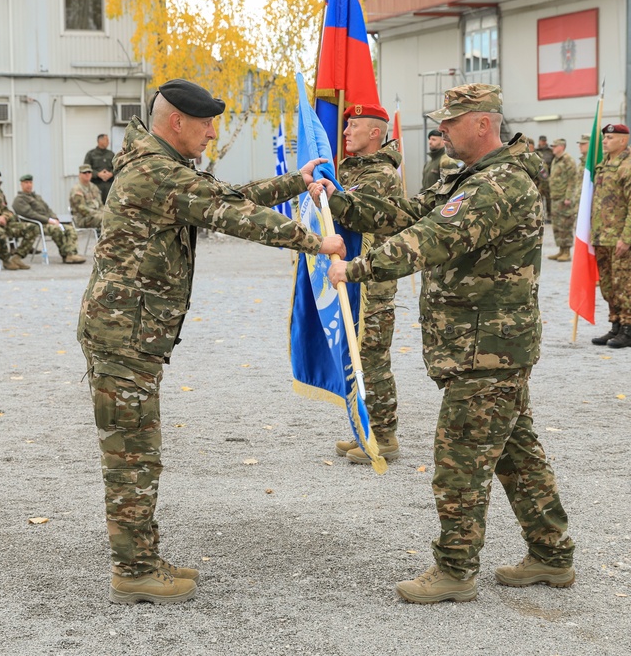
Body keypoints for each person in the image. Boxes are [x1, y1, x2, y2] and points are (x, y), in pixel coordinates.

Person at [76, 79, 346, 605]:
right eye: (205, 124)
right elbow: (232, 214)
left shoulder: (160, 167)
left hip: (134, 332)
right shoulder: (155, 171)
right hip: (124, 335)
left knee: (140, 450)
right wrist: (316, 242)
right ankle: (132, 570)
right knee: (132, 454)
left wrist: (294, 183)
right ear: (176, 121)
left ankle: (144, 556)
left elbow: (223, 198)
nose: (212, 133)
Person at [322, 83, 575, 604]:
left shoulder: (498, 184)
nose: (442, 131)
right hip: (483, 346)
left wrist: (357, 268)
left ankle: (455, 571)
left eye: (451, 122)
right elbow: (408, 215)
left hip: (488, 349)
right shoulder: (470, 176)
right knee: (516, 455)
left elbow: (428, 239)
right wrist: (338, 200)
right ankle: (551, 556)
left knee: (459, 460)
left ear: (483, 123)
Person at [330, 102, 404, 465]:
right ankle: (367, 427)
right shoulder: (356, 170)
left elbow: (364, 213)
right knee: (358, 350)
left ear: (375, 133)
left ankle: (385, 434)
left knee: (372, 355)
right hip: (357, 273)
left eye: (353, 125)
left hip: (374, 279)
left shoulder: (381, 174)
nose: (345, 132)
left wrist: (332, 196)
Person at [588, 124, 631, 349]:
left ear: (623, 141)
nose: (605, 141)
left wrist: (628, 237)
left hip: (620, 237)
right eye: (604, 137)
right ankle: (614, 324)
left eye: (610, 138)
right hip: (602, 236)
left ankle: (628, 329)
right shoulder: (602, 167)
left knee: (622, 283)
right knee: (607, 285)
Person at [12, 174, 87, 264]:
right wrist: (48, 220)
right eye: (26, 183)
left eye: (30, 182)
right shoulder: (19, 200)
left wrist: (54, 218)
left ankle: (71, 253)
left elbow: (48, 209)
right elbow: (30, 214)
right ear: (21, 185)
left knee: (70, 229)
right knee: (56, 229)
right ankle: (66, 254)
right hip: (35, 225)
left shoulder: (37, 197)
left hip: (47, 222)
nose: (29, 185)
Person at [547, 138, 578, 261]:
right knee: (557, 226)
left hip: (564, 199)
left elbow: (572, 180)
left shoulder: (568, 160)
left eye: (555, 146)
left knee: (565, 225)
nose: (553, 148)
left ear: (562, 147)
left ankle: (567, 252)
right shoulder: (556, 160)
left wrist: (568, 197)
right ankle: (560, 250)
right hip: (555, 198)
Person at [69, 164, 105, 230]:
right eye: (84, 172)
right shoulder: (77, 189)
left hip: (96, 216)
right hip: (82, 219)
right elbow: (82, 209)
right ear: (80, 174)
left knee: (111, 217)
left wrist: (105, 212)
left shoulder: (94, 187)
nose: (87, 174)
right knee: (104, 218)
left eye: (89, 172)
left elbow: (100, 204)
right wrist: (98, 213)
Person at [84, 133, 116, 203]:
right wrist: (98, 174)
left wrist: (111, 173)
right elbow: (86, 169)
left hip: (109, 186)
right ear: (100, 141)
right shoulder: (90, 154)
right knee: (95, 205)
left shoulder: (111, 154)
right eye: (106, 140)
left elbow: (117, 168)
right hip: (95, 186)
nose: (108, 142)